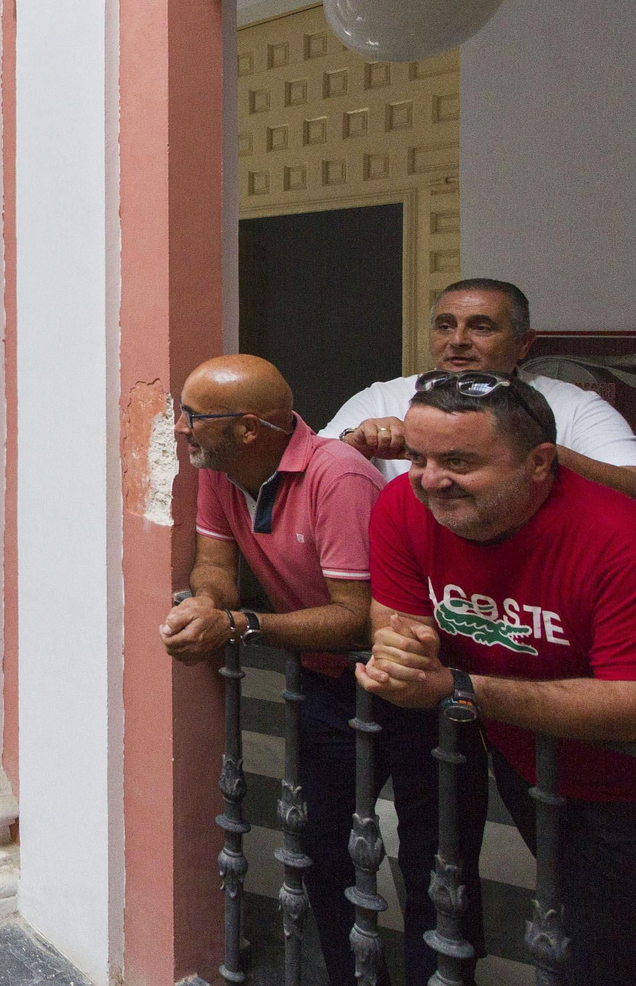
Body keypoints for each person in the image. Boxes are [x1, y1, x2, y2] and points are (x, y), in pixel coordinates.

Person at [357, 370, 636, 985]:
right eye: (417, 457)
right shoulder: (404, 506)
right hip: (536, 767)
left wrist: (457, 687)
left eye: (459, 461)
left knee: (598, 962)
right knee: (571, 936)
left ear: (539, 463)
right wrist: (404, 645)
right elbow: (396, 621)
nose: (430, 479)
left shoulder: (627, 543)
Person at [159, 355, 479, 986]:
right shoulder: (221, 469)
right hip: (325, 686)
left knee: (434, 863)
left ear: (249, 428)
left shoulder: (338, 477)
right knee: (323, 849)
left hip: (407, 684)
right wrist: (206, 601)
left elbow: (357, 619)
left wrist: (244, 626)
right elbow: (216, 566)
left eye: (194, 417)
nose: (182, 429)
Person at [323, 277, 636, 527]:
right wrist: (354, 444)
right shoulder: (383, 397)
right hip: (406, 582)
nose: (458, 340)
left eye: (481, 327)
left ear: (524, 343)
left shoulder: (574, 406)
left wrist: (526, 451)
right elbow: (301, 480)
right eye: (445, 326)